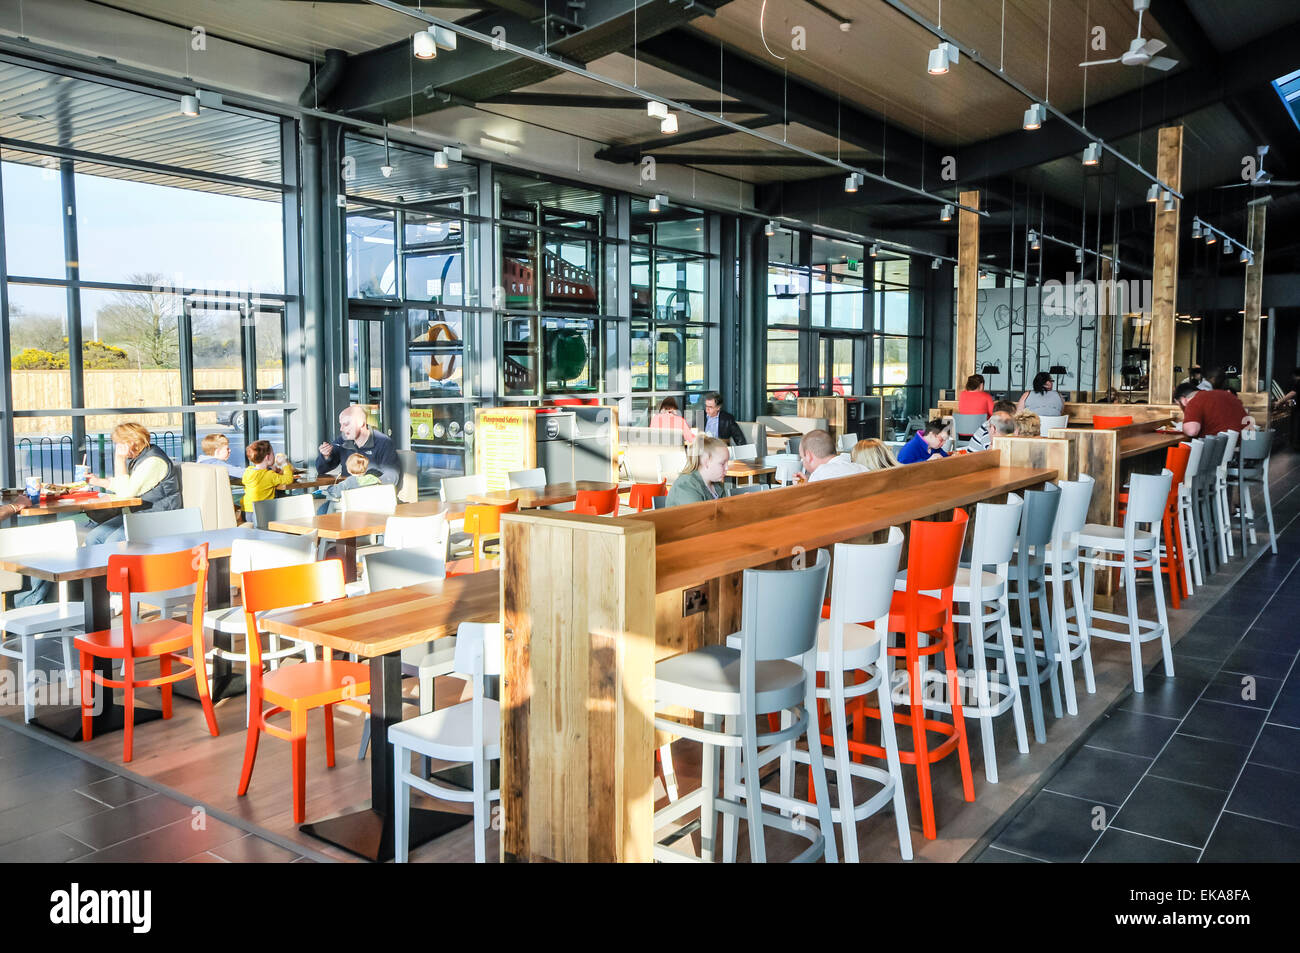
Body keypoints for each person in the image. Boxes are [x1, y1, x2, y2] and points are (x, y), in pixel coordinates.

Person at [83, 422, 183, 545]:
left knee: (113, 542)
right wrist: (98, 481)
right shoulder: (142, 457)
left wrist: (119, 460)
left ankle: (118, 564)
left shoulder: (153, 461)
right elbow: (129, 485)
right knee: (93, 538)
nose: (117, 447)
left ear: (131, 442)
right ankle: (102, 565)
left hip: (159, 517)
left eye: (119, 443)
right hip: (141, 514)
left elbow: (126, 492)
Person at [316, 406, 400, 485]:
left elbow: (392, 476)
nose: (341, 429)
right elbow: (321, 469)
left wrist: (364, 485)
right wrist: (325, 456)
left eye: (346, 424)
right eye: (341, 424)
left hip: (371, 494)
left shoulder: (383, 442)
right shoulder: (343, 440)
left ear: (361, 423)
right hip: (347, 491)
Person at [1177, 368, 1251, 437]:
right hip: (1244, 445)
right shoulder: (1229, 396)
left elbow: (1192, 431)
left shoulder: (1195, 400)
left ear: (1183, 400)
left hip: (1221, 447)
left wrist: (1184, 427)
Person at [664, 436, 731, 507]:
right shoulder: (686, 486)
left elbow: (725, 511)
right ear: (706, 462)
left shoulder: (717, 485)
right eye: (722, 463)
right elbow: (700, 516)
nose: (727, 467)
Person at [241, 440, 295, 520]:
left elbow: (261, 476)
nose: (274, 455)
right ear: (267, 457)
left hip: (246, 511)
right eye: (273, 453)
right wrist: (284, 464)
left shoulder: (248, 471)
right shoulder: (269, 475)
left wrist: (270, 469)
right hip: (261, 511)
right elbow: (288, 479)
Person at [794, 429, 867, 483]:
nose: (802, 461)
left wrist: (802, 489)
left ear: (808, 456)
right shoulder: (862, 469)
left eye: (802, 457)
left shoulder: (819, 476)